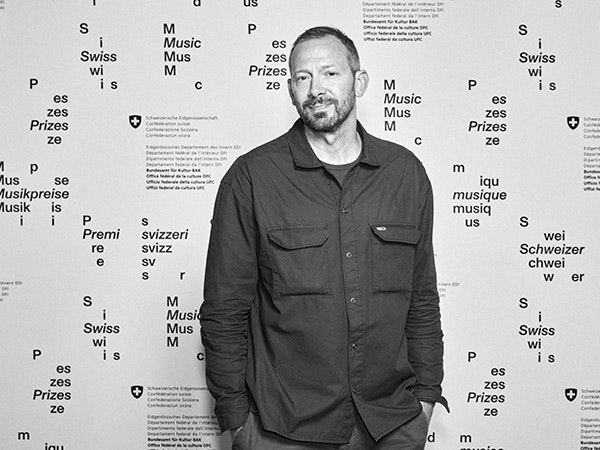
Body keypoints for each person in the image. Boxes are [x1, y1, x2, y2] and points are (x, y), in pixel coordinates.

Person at [200, 25, 448, 450]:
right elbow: (224, 311)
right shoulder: (252, 179)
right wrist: (237, 421)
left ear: (359, 81)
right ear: (291, 91)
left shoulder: (405, 174)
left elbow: (422, 297)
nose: (316, 89)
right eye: (303, 77)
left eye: (330, 73)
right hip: (283, 428)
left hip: (392, 423)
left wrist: (425, 398)